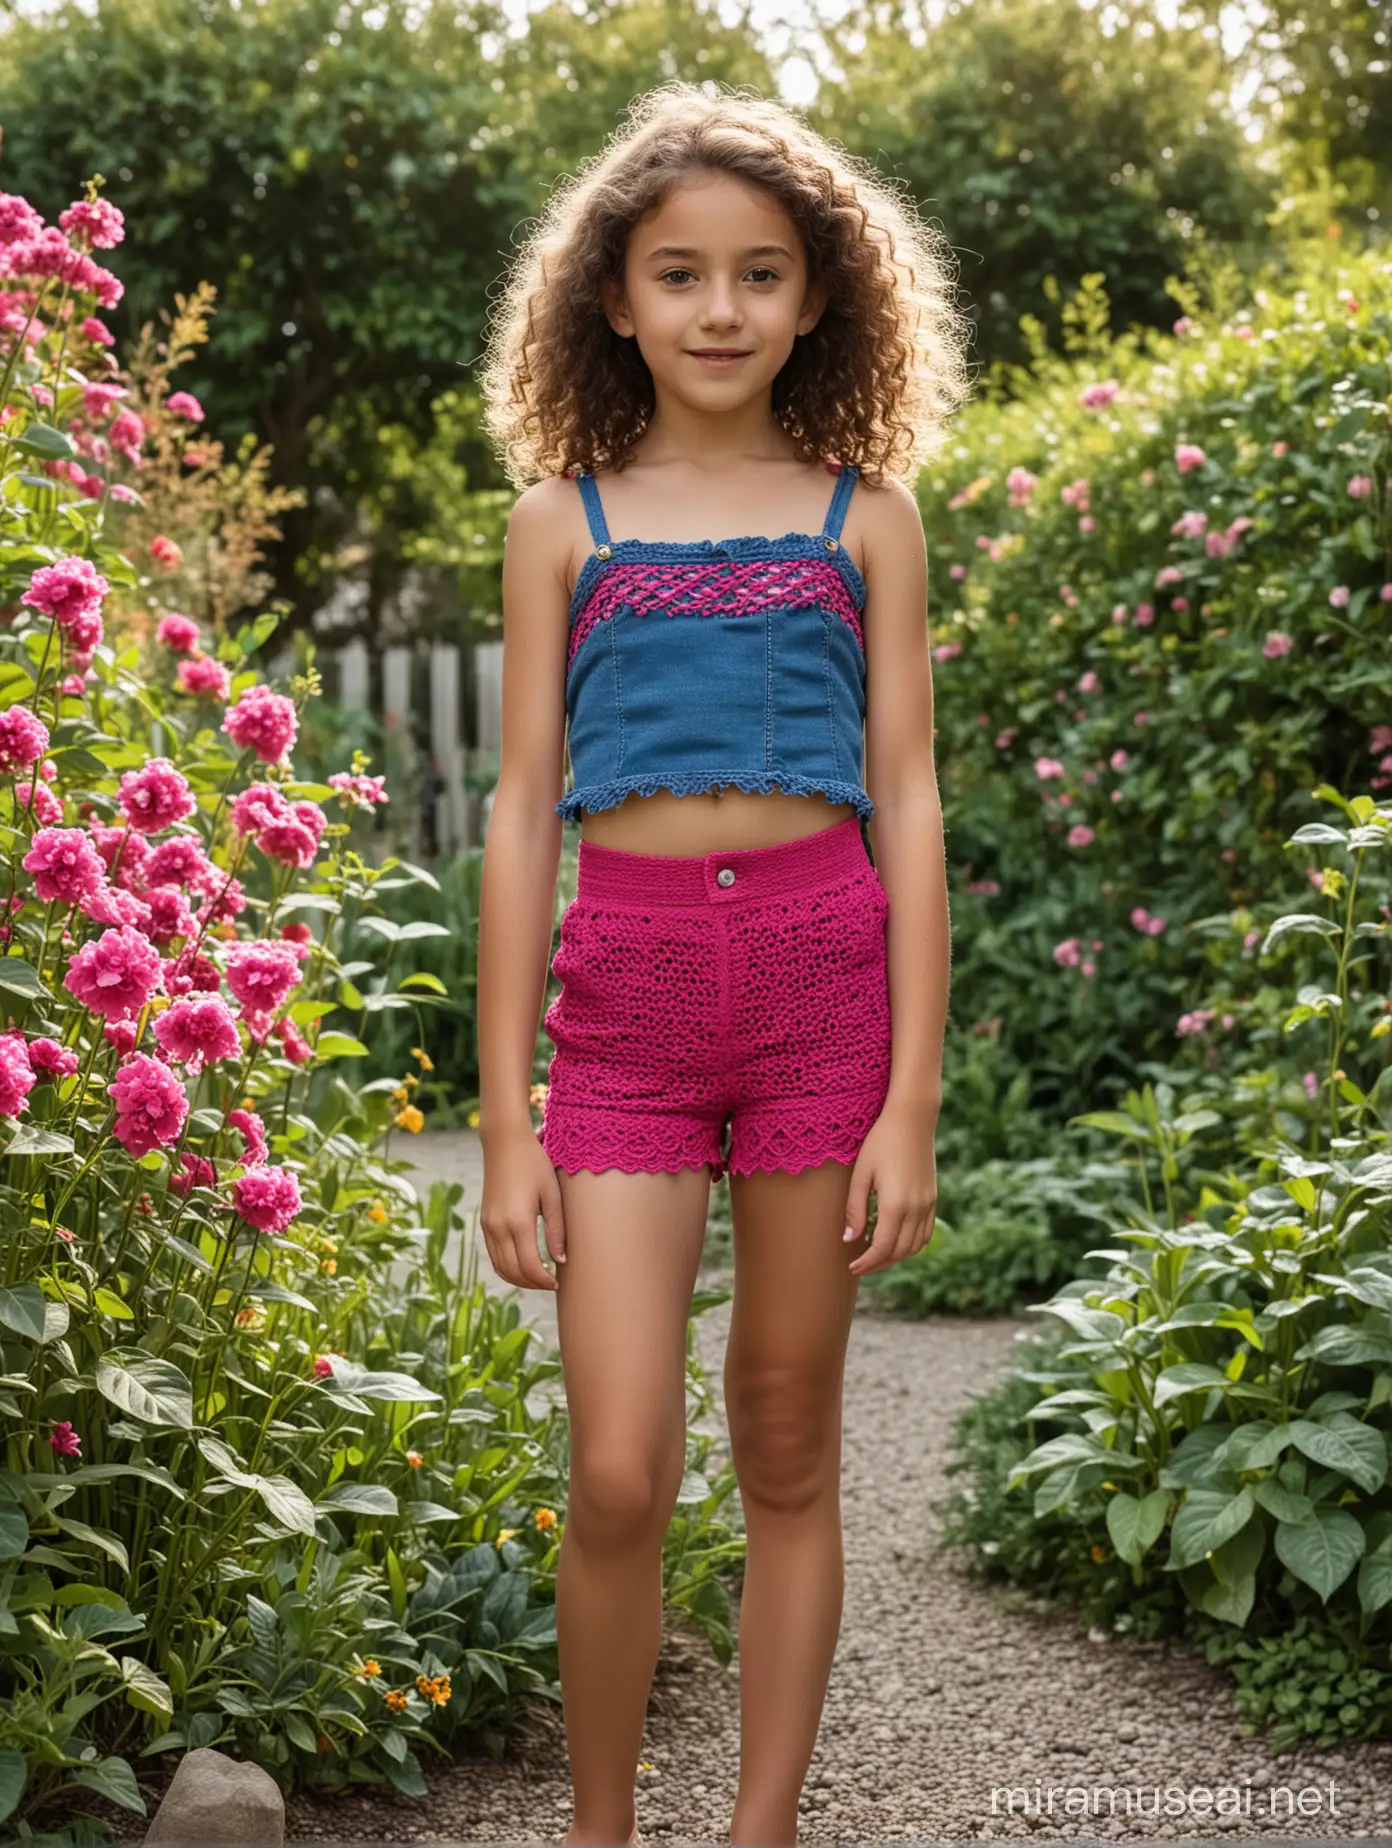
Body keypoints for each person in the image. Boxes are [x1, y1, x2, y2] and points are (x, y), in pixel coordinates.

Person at [475, 81, 970, 1848]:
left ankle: (757, 1835)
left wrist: (911, 1094)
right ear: (611, 296)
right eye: (678, 274)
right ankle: (600, 1833)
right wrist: (507, 1118)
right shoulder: (564, 525)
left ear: (820, 296)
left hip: (829, 991)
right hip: (627, 1007)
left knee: (784, 1439)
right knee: (617, 1469)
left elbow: (907, 795)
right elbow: (524, 811)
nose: (719, 310)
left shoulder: (866, 518)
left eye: (760, 274)